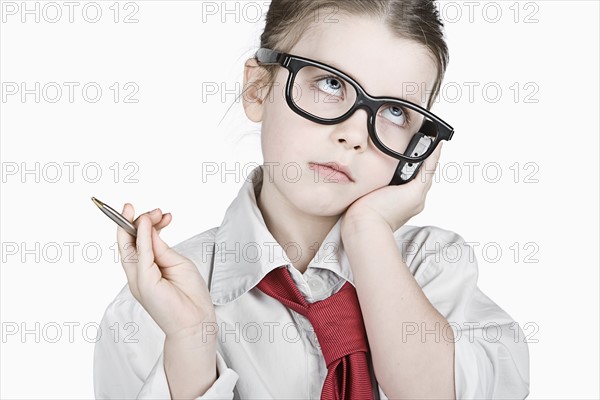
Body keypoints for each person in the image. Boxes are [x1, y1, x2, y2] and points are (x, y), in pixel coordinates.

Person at [93, 0, 530, 399]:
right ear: (258, 89)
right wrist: (189, 346)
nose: (355, 135)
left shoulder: (437, 269)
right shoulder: (148, 312)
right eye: (330, 83)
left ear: (420, 148)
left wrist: (369, 232)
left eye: (395, 111)